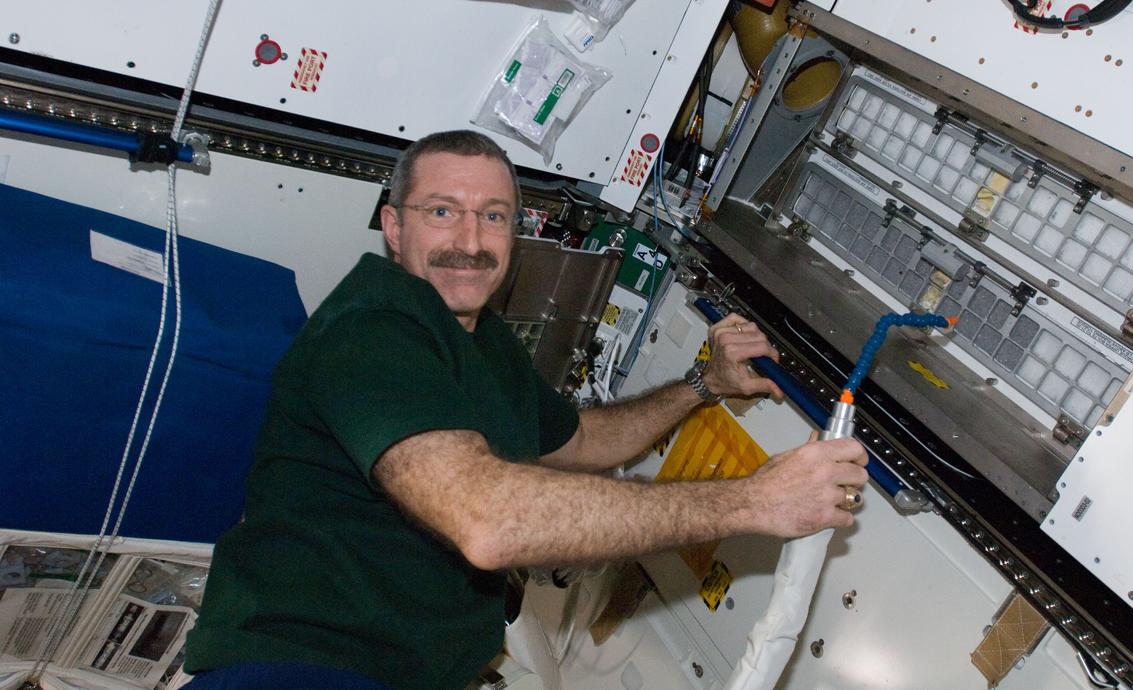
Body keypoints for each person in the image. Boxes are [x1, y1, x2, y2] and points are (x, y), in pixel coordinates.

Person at [183, 130, 868, 690]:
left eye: (494, 216)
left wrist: (704, 382)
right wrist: (753, 502)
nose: (470, 240)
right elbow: (487, 521)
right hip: (303, 665)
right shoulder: (374, 329)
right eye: (441, 211)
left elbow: (583, 443)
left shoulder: (481, 340)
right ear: (393, 225)